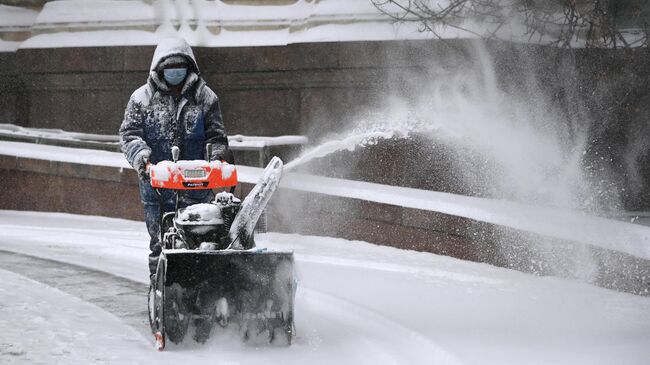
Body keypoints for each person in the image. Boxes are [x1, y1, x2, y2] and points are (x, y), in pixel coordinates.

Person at [119, 38, 233, 277]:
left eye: (179, 67)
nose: (175, 72)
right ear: (159, 69)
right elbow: (129, 135)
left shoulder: (205, 98)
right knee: (159, 241)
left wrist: (217, 159)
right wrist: (142, 158)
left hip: (197, 185)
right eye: (169, 67)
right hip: (157, 187)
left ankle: (197, 284)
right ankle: (159, 286)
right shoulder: (141, 99)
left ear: (189, 67)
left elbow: (216, 136)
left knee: (199, 236)